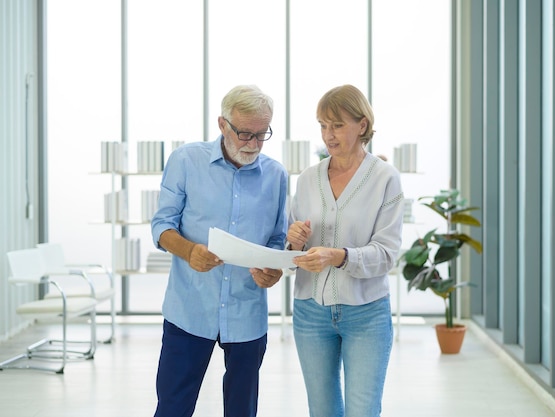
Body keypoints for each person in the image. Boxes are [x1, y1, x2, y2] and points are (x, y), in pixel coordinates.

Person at [151, 84, 288, 417]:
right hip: (189, 309)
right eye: (245, 134)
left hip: (247, 314)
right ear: (222, 124)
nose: (254, 144)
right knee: (173, 407)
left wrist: (273, 270)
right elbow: (161, 226)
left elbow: (276, 238)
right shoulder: (186, 161)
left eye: (262, 134)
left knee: (242, 411)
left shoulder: (276, 175)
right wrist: (189, 251)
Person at [286, 84, 404, 417]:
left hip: (366, 313)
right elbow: (293, 251)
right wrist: (294, 241)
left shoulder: (385, 179)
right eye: (323, 125)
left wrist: (339, 256)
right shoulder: (307, 179)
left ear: (362, 125)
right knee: (321, 411)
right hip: (310, 311)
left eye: (337, 125)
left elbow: (387, 254)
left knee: (362, 411)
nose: (328, 135)